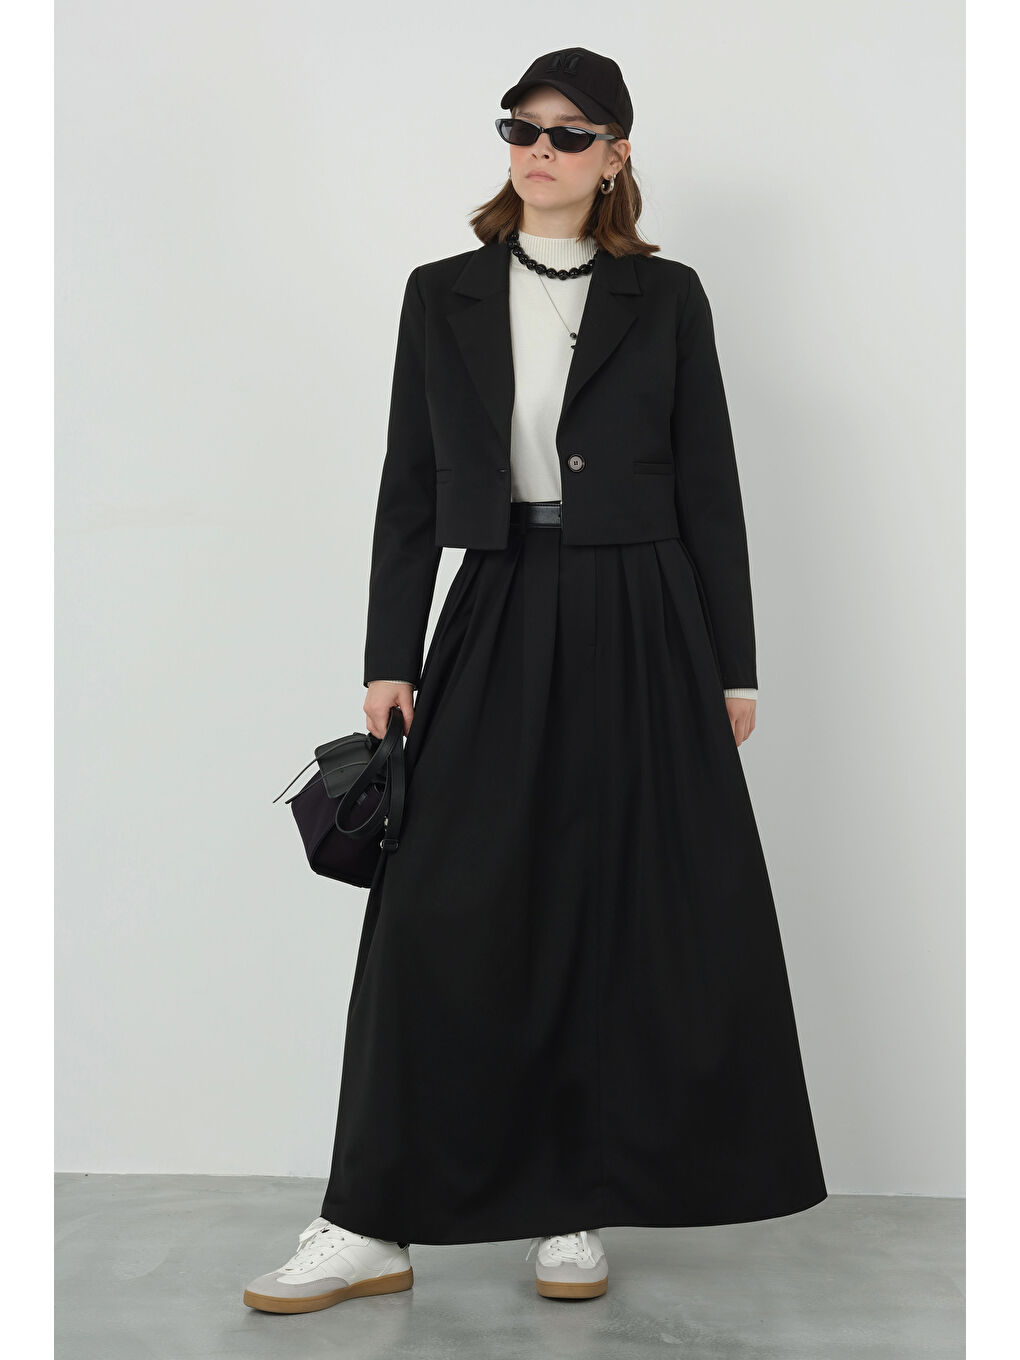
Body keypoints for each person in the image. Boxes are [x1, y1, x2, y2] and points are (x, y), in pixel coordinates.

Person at [243, 45, 827, 1314]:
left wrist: (733, 664)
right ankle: (369, 1220)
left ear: (616, 155)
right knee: (434, 912)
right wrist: (389, 653)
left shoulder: (666, 297)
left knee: (612, 905)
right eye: (521, 128)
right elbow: (408, 483)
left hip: (645, 612)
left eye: (569, 133)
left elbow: (711, 485)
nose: (540, 151)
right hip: (498, 599)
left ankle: (573, 1204)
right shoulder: (441, 292)